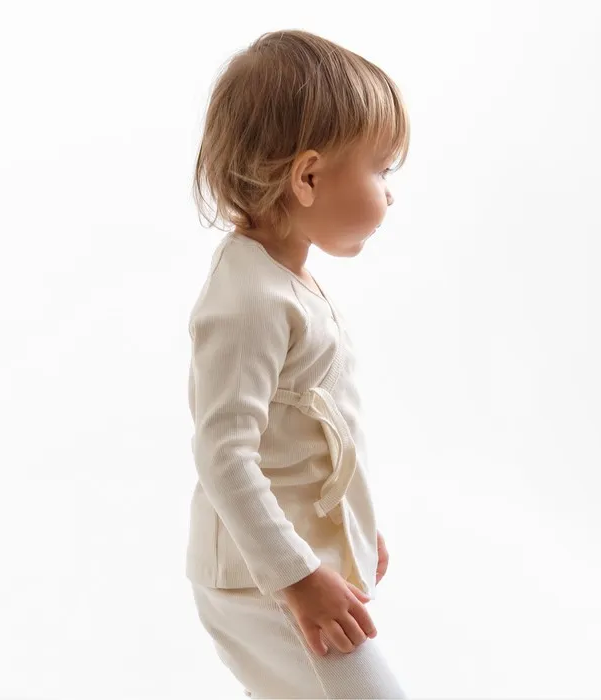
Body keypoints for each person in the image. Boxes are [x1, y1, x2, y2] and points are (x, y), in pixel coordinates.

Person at [184, 28, 411, 699]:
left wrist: (351, 525)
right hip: (263, 581)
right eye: (381, 170)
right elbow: (224, 455)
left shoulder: (282, 280)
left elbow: (308, 431)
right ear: (308, 177)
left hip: (286, 567)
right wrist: (299, 577)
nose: (390, 194)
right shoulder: (249, 299)